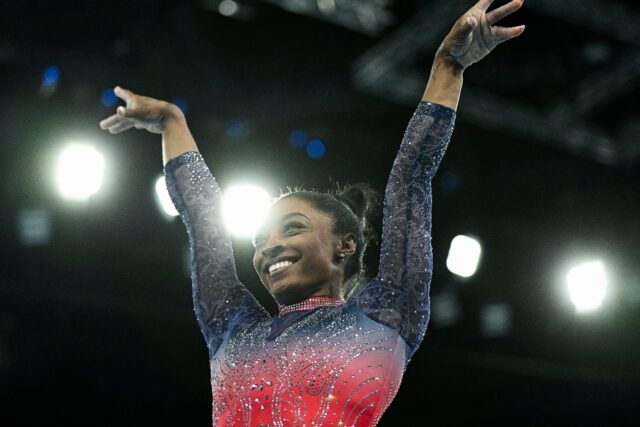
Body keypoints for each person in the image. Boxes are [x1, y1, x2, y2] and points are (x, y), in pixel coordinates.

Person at [99, 1, 525, 425]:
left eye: (291, 229)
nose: (269, 247)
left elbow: (411, 177)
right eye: (260, 240)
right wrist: (172, 121)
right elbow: (204, 224)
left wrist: (449, 65)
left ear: (346, 245)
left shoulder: (389, 312)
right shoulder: (233, 330)